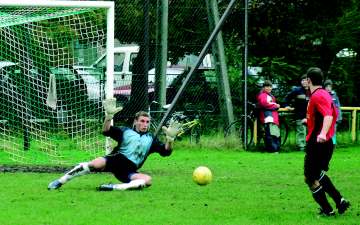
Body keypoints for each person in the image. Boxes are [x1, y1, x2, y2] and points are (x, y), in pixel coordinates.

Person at [48, 98, 181, 191]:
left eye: (147, 122)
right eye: (142, 121)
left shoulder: (151, 139)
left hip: (129, 171)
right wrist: (109, 117)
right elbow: (106, 131)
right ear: (135, 122)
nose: (145, 124)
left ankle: (114, 188)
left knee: (147, 180)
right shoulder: (125, 131)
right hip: (115, 160)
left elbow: (166, 152)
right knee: (95, 164)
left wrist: (170, 139)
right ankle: (60, 181)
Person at [303, 67, 350, 216]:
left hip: (318, 142)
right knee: (315, 174)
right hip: (322, 141)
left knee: (310, 177)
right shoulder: (322, 94)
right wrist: (309, 121)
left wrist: (322, 133)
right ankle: (339, 201)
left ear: (309, 80)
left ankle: (328, 210)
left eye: (306, 79)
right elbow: (328, 115)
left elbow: (329, 116)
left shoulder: (318, 96)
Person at [284, 74, 309, 151]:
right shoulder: (297, 90)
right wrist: (286, 105)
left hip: (310, 116)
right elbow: (287, 98)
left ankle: (310, 147)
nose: (304, 82)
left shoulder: (312, 91)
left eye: (306, 80)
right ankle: (301, 147)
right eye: (303, 80)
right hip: (299, 115)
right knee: (301, 131)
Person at [256, 80, 281, 153]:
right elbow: (264, 104)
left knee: (275, 134)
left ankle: (275, 149)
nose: (269, 88)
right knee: (271, 134)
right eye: (267, 86)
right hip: (268, 118)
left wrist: (275, 105)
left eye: (270, 86)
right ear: (263, 87)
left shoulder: (270, 95)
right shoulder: (263, 95)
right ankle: (272, 150)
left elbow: (268, 104)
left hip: (272, 118)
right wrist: (275, 106)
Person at [324, 79, 342, 145]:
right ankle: (326, 144)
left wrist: (339, 117)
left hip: (334, 118)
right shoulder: (323, 95)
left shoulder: (335, 95)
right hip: (326, 117)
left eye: (330, 86)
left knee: (333, 132)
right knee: (325, 131)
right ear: (324, 87)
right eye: (327, 87)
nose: (328, 88)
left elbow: (338, 107)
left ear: (332, 87)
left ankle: (333, 144)